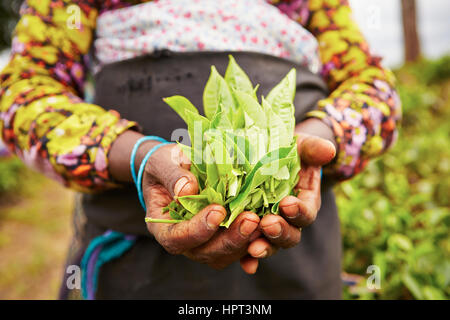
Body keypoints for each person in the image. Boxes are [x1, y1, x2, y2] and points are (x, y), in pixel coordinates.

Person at [0, 0, 401, 299]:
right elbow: (22, 91)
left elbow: (374, 89)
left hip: (294, 254)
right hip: (131, 255)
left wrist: (315, 137)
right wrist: (138, 155)